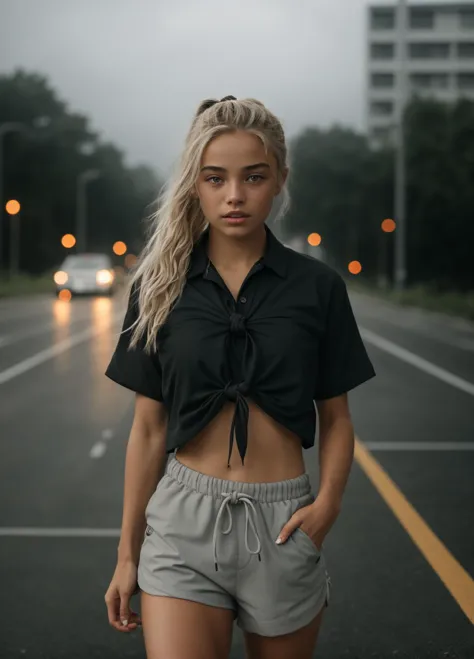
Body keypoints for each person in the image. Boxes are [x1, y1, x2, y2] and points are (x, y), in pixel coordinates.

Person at [104, 95, 376, 659]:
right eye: (215, 178)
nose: (234, 195)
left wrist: (326, 506)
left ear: (278, 179)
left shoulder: (318, 289)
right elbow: (149, 430)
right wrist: (128, 553)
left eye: (253, 177)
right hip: (181, 524)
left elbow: (337, 417)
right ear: (195, 185)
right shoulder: (158, 287)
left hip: (283, 523)